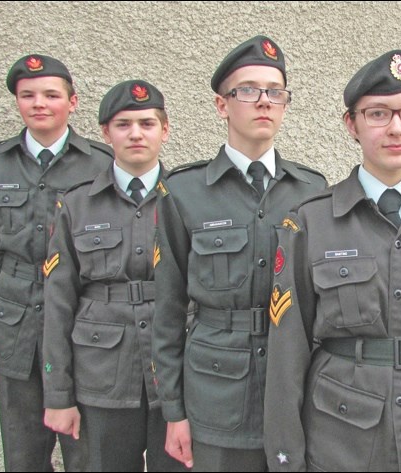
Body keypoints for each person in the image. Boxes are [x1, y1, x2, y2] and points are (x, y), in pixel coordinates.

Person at [262, 50, 401, 471]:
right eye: (378, 113)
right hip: (341, 437)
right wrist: (286, 458)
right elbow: (287, 353)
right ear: (351, 125)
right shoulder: (311, 221)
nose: (397, 127)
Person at [152, 35, 328, 471]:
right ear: (221, 105)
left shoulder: (313, 192)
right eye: (247, 90)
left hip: (293, 391)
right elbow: (168, 310)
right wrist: (173, 411)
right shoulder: (184, 192)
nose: (263, 101)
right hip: (215, 394)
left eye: (275, 92)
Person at [0, 54, 113, 471]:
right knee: (23, 450)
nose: (39, 103)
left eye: (51, 94)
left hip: (82, 325)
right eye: (27, 95)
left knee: (87, 452)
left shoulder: (100, 163)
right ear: (17, 102)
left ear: (73, 102)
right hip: (15, 324)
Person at [41, 80, 188, 472]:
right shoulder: (76, 204)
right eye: (123, 124)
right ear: (106, 133)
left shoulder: (189, 200)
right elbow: (57, 302)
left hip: (175, 379)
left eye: (147, 123)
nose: (136, 133)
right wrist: (57, 395)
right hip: (100, 376)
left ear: (165, 130)